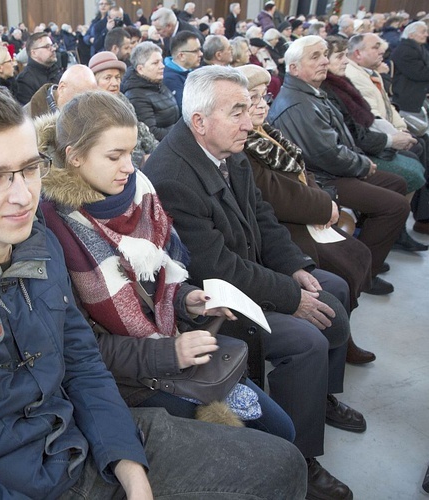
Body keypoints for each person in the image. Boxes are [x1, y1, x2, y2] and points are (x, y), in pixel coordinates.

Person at [0, 75, 307, 500]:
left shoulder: (37, 242)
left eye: (29, 169)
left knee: (282, 464)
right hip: (7, 481)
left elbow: (83, 364)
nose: (23, 195)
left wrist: (127, 464)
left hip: (87, 442)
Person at [143, 65, 366, 500]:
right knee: (306, 342)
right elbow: (218, 267)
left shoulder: (229, 148)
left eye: (249, 108)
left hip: (252, 273)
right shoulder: (173, 175)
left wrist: (295, 265)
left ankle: (319, 398)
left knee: (333, 286)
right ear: (200, 122)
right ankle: (299, 457)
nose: (251, 120)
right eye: (238, 110)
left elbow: (263, 219)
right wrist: (290, 296)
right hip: (217, 301)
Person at [38, 90, 296, 438]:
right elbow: (81, 348)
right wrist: (168, 353)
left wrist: (185, 298)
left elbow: (153, 282)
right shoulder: (54, 229)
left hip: (172, 347)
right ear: (74, 157)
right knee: (271, 440)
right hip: (127, 379)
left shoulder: (138, 192)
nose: (129, 167)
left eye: (130, 152)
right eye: (115, 156)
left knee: (282, 429)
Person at [238, 63, 375, 363]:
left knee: (358, 255)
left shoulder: (267, 133)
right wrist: (325, 206)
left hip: (304, 214)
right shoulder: (240, 144)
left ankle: (342, 335)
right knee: (344, 270)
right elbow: (274, 195)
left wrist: (324, 201)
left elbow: (302, 172)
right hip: (286, 224)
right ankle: (340, 339)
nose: (261, 105)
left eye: (264, 97)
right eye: (253, 99)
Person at [267, 36, 418, 282]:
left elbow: (340, 139)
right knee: (396, 206)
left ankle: (367, 254)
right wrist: (362, 164)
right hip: (323, 178)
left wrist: (359, 160)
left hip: (334, 169)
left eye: (324, 55)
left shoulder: (310, 92)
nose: (324, 61)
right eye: (315, 57)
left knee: (398, 184)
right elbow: (326, 155)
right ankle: (363, 271)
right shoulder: (297, 103)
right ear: (293, 68)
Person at [346, 32, 429, 234]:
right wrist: (394, 137)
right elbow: (370, 116)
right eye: (375, 48)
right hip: (366, 143)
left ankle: (412, 219)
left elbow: (388, 108)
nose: (382, 51)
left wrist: (402, 129)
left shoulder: (370, 73)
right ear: (357, 53)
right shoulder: (352, 75)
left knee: (422, 145)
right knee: (412, 162)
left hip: (379, 133)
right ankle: (404, 223)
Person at [88, 51, 158, 166]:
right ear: (94, 82)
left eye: (117, 77)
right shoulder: (92, 110)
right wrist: (142, 160)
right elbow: (108, 151)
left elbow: (139, 129)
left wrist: (157, 151)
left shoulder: (123, 101)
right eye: (107, 78)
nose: (115, 83)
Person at [122, 41, 178, 141]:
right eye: (155, 63)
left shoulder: (156, 83)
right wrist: (181, 133)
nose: (162, 66)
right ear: (140, 69)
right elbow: (151, 132)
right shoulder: (136, 95)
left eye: (161, 61)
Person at [25, 64, 97, 118]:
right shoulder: (27, 117)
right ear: (62, 88)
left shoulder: (93, 113)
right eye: (80, 97)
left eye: (91, 98)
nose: (86, 105)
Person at [15, 32, 62, 105]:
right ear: (34, 53)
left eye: (52, 45)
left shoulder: (55, 71)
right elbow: (29, 112)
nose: (53, 49)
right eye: (47, 46)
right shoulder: (24, 80)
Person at [163, 31, 203, 109]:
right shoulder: (170, 79)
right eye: (196, 51)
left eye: (200, 50)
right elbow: (186, 109)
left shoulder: (190, 70)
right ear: (181, 56)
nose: (201, 54)